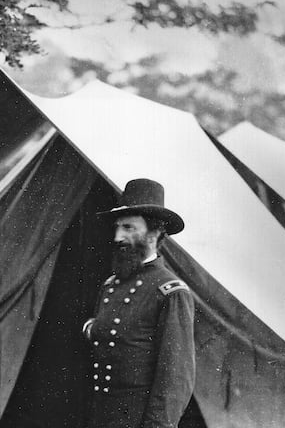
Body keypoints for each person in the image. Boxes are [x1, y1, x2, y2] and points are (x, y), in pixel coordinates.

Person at [82, 178, 195, 428]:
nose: (118, 236)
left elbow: (175, 378)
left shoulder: (171, 292)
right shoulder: (110, 285)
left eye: (129, 228)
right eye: (117, 227)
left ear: (154, 233)